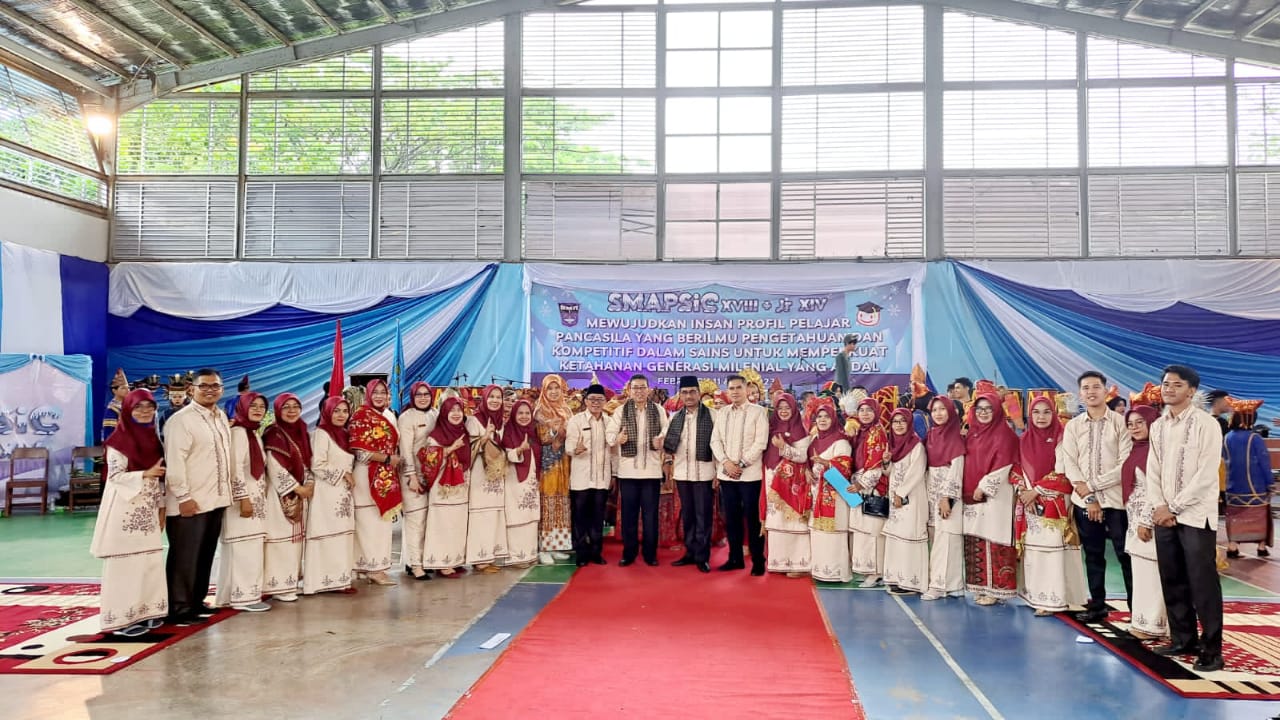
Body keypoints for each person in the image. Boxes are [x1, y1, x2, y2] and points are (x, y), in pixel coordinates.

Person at [1148, 364, 1226, 672]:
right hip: (1164, 514)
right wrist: (1158, 506)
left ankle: (1212, 649)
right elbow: (1152, 470)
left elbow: (1207, 474)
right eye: (1166, 384)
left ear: (1191, 391)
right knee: (1173, 578)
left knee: (1202, 583)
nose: (1168, 388)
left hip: (1194, 515)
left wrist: (1174, 507)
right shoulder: (1158, 426)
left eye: (1176, 385)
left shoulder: (1207, 424)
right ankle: (1183, 639)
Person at [91, 388, 167, 636]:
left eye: (149, 406)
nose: (145, 411)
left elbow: (161, 478)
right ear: (127, 410)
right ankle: (121, 620)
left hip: (148, 509)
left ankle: (147, 611)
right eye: (138, 407)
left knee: (148, 562)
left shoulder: (154, 440)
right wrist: (145, 473)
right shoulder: (118, 441)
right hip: (124, 510)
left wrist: (161, 507)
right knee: (126, 565)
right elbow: (114, 476)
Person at [1061, 371, 1133, 623]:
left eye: (1096, 387)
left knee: (1125, 555)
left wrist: (1092, 486)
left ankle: (1137, 609)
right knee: (1092, 554)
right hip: (1084, 502)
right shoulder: (1073, 426)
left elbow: (1125, 464)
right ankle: (1098, 605)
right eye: (1086, 388)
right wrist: (1089, 496)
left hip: (1116, 502)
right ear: (1080, 393)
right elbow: (1069, 462)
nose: (1091, 392)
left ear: (1105, 391)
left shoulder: (1121, 423)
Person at [163, 368, 232, 623]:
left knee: (204, 553)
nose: (210, 390)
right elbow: (175, 462)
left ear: (222, 389)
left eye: (215, 386)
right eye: (204, 386)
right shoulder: (182, 420)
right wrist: (183, 497)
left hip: (215, 498)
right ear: (192, 390)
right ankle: (179, 608)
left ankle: (196, 601)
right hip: (190, 500)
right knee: (185, 555)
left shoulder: (221, 417)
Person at [1016, 396, 1086, 616]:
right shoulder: (1024, 439)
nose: (1041, 417)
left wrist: (1036, 491)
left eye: (1047, 412)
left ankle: (1057, 598)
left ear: (1054, 414)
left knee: (1055, 550)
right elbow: (1016, 469)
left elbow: (1064, 472)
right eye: (1036, 412)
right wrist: (1023, 492)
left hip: (1055, 502)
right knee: (1036, 551)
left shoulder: (1062, 438)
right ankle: (1037, 595)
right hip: (1030, 502)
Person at [214, 393, 271, 613]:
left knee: (248, 547)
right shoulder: (238, 433)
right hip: (243, 501)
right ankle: (245, 597)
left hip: (255, 498)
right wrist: (243, 498)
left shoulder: (252, 433)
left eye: (261, 406)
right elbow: (234, 469)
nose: (257, 409)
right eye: (253, 406)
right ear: (241, 407)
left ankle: (231, 595)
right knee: (244, 548)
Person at [962, 392, 1020, 606]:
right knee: (977, 538)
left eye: (989, 408)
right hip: (972, 497)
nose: (984, 413)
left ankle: (997, 590)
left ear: (997, 411)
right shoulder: (973, 434)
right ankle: (981, 587)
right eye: (980, 409)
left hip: (996, 497)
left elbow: (1005, 463)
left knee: (995, 540)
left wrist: (984, 486)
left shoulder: (1005, 435)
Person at [607, 374, 668, 567]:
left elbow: (666, 432)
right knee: (629, 515)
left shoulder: (658, 410)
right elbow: (609, 435)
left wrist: (661, 440)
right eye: (636, 388)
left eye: (643, 387)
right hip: (628, 473)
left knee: (651, 515)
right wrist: (618, 439)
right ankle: (629, 552)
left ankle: (650, 554)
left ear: (649, 390)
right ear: (629, 390)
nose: (639, 391)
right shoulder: (620, 411)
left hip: (651, 472)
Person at [711, 374, 770, 575]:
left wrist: (741, 464)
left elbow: (760, 443)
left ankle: (758, 561)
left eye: (738, 388)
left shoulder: (759, 412)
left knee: (753, 519)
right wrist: (727, 463)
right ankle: (735, 558)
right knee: (732, 518)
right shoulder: (723, 413)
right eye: (731, 388)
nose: (735, 391)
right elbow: (715, 441)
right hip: (727, 475)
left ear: (746, 390)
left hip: (750, 475)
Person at [299, 397, 356, 595]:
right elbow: (317, 465)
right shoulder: (321, 434)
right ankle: (319, 582)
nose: (341, 415)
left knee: (342, 536)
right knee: (326, 535)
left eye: (344, 411)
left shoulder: (347, 434)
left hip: (344, 494)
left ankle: (339, 580)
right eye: (336, 411)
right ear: (327, 412)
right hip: (326, 492)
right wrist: (342, 474)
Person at [1122, 405, 1168, 640]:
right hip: (1134, 519)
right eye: (1130, 424)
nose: (1135, 427)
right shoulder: (1136, 449)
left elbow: (1156, 491)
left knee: (1153, 573)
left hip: (1148, 523)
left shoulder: (1155, 452)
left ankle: (1156, 625)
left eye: (1140, 422)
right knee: (1142, 573)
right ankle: (1142, 622)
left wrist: (1146, 521)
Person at [348, 379, 401, 586]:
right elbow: (360, 453)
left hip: (385, 475)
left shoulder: (388, 415)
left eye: (383, 392)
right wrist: (387, 459)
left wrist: (391, 461)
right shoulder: (360, 416)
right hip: (365, 476)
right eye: (375, 392)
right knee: (367, 522)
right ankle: (372, 568)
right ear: (369, 394)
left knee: (381, 522)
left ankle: (373, 566)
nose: (379, 396)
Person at [663, 376, 717, 573]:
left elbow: (718, 446)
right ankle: (689, 553)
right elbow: (668, 445)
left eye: (692, 392)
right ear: (680, 394)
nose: (689, 396)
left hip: (704, 473)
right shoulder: (675, 417)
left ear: (698, 393)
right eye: (684, 392)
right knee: (688, 515)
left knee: (703, 516)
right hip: (682, 474)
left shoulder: (712, 415)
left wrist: (718, 473)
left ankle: (702, 556)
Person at [261, 394, 312, 602]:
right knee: (280, 540)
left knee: (295, 540)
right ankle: (277, 585)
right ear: (278, 410)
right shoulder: (273, 433)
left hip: (301, 491)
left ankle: (290, 581)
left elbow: (308, 460)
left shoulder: (302, 430)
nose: (291, 411)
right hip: (279, 494)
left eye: (295, 406)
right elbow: (274, 466)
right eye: (286, 407)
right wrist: (296, 488)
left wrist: (308, 483)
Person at [422, 397, 476, 577]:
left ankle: (455, 559)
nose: (456, 414)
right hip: (442, 487)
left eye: (459, 410)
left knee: (457, 523)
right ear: (444, 413)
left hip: (461, 485)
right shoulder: (436, 435)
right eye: (451, 410)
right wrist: (451, 448)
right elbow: (428, 461)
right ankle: (441, 562)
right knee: (443, 523)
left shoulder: (464, 432)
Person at [761, 392, 813, 577]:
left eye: (787, 408)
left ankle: (799, 564)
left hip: (793, 483)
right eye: (780, 408)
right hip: (771, 477)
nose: (783, 411)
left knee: (793, 522)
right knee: (776, 519)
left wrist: (784, 448)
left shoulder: (800, 429)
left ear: (793, 409)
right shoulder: (770, 427)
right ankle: (779, 561)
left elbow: (803, 456)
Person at [881, 408, 928, 595]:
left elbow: (916, 472)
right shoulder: (892, 445)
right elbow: (889, 473)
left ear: (909, 423)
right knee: (896, 538)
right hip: (896, 499)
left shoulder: (916, 445)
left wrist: (901, 493)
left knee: (909, 537)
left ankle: (912, 581)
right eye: (895, 421)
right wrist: (886, 462)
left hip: (911, 499)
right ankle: (896, 577)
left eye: (902, 421)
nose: (898, 425)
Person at [807, 398, 854, 583]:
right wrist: (806, 471)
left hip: (836, 494)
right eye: (819, 416)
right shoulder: (814, 440)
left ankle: (836, 573)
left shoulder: (841, 441)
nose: (823, 420)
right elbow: (807, 461)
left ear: (834, 419)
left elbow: (845, 467)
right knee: (818, 533)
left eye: (827, 416)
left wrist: (827, 463)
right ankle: (819, 570)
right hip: (816, 491)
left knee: (834, 534)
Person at [922, 397, 965, 601]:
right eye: (935, 410)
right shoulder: (931, 435)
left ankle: (940, 585)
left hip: (949, 496)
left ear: (951, 412)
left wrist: (946, 497)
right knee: (938, 538)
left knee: (947, 539)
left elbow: (956, 470)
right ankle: (953, 584)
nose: (938, 413)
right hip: (932, 491)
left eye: (942, 409)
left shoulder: (955, 437)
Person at [567, 383, 613, 567]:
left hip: (601, 478)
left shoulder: (609, 422)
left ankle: (596, 552)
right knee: (580, 517)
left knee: (598, 517)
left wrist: (614, 475)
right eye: (592, 399)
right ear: (585, 401)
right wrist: (575, 449)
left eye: (599, 400)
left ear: (605, 401)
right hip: (581, 479)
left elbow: (614, 450)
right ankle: (581, 553)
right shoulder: (576, 421)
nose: (596, 403)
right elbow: (568, 446)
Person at [466, 384, 510, 572]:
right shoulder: (474, 420)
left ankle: (489, 555)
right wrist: (483, 439)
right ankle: (479, 559)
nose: (494, 400)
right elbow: (465, 449)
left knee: (494, 514)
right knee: (481, 516)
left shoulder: (500, 422)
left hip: (496, 475)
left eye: (498, 397)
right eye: (491, 396)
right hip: (479, 475)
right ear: (484, 398)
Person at [847, 398, 889, 587]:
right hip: (859, 485)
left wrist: (861, 484)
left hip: (872, 488)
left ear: (876, 412)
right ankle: (867, 570)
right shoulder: (862, 432)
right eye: (861, 410)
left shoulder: (877, 432)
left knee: (873, 531)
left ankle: (877, 572)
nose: (864, 413)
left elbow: (877, 464)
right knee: (863, 530)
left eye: (869, 410)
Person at [398, 382, 437, 580]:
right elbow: (405, 450)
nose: (423, 398)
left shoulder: (434, 414)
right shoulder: (406, 418)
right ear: (413, 396)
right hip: (411, 477)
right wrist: (411, 477)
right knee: (415, 520)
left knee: (426, 521)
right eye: (419, 394)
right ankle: (416, 566)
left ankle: (414, 560)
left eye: (426, 394)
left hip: (430, 474)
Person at [1223, 398, 1272, 558]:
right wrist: (1270, 483)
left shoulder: (1227, 437)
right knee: (1259, 515)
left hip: (1232, 487)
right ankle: (1261, 546)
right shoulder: (1254, 438)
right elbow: (1264, 462)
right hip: (1254, 486)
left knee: (1234, 516)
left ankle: (1232, 546)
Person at [534, 375, 574, 564]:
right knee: (547, 501)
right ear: (544, 390)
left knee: (561, 500)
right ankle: (543, 547)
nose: (553, 392)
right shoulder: (540, 410)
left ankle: (557, 545)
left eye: (556, 388)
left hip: (564, 462)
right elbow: (541, 438)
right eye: (549, 388)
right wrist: (555, 433)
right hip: (548, 463)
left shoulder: (566, 409)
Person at [502, 399, 543, 567]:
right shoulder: (508, 431)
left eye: (527, 413)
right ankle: (515, 557)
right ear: (514, 414)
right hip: (515, 480)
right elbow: (505, 455)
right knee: (516, 516)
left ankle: (529, 554)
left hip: (532, 481)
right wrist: (519, 450)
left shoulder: (533, 432)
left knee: (531, 517)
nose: (524, 416)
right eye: (520, 413)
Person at [101, 368, 129, 443]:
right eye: (123, 388)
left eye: (128, 388)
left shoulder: (128, 405)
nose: (127, 390)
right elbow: (109, 432)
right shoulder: (112, 409)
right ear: (114, 391)